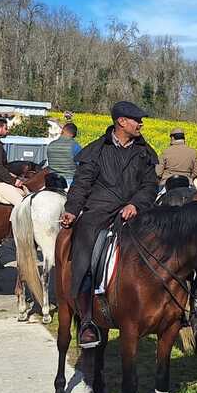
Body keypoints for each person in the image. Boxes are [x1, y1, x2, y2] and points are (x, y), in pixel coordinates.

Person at [59, 101, 158, 349]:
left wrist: (136, 203)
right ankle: (87, 321)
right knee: (84, 250)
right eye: (137, 120)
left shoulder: (145, 152)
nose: (141, 124)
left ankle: (170, 307)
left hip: (135, 211)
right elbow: (81, 184)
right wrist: (71, 210)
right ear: (122, 122)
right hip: (99, 210)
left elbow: (150, 186)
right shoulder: (95, 151)